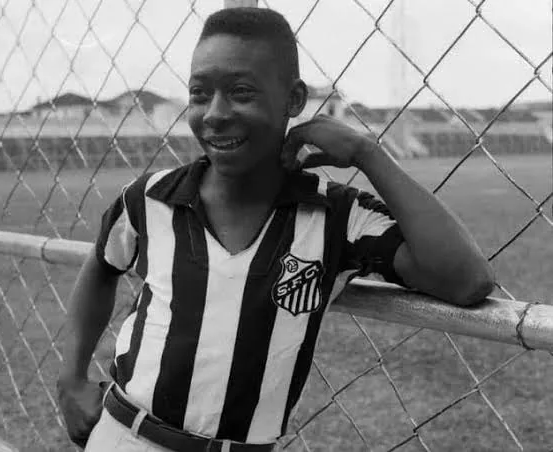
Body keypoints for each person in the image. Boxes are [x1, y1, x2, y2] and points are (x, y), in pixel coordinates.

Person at [57, 7, 494, 452]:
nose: (215, 113)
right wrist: (72, 376)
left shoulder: (337, 217)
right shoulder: (150, 198)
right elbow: (102, 265)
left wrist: (367, 153)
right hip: (127, 436)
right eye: (199, 93)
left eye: (241, 92)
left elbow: (467, 280)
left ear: (294, 99)